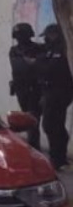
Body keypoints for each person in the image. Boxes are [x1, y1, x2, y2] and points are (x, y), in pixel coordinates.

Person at [39, 24, 72, 171]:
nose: (46, 39)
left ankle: (59, 159)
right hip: (49, 92)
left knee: (55, 125)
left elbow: (56, 69)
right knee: (49, 125)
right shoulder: (49, 51)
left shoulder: (63, 50)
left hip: (60, 92)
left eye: (48, 36)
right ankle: (56, 158)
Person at [10, 23, 45, 148]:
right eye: (17, 35)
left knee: (33, 119)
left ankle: (34, 147)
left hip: (34, 89)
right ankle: (32, 146)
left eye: (21, 35)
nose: (19, 38)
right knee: (26, 118)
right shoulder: (14, 50)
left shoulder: (38, 49)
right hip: (21, 88)